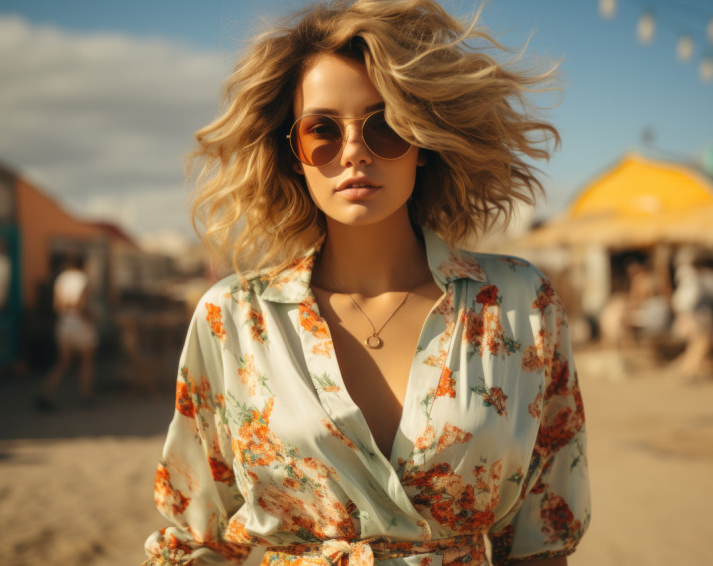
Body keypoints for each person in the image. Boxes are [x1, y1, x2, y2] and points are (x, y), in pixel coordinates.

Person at [144, 1, 589, 565]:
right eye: (321, 131)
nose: (354, 151)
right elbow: (194, 538)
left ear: (422, 140)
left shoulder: (521, 306)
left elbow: (540, 542)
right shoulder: (233, 317)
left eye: (383, 126)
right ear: (294, 153)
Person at [36, 255, 98, 411]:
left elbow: (58, 305)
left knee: (63, 362)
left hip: (64, 324)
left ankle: (46, 393)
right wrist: (93, 316)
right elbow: (81, 305)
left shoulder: (62, 279)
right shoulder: (83, 279)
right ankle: (86, 396)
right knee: (86, 362)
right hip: (80, 325)